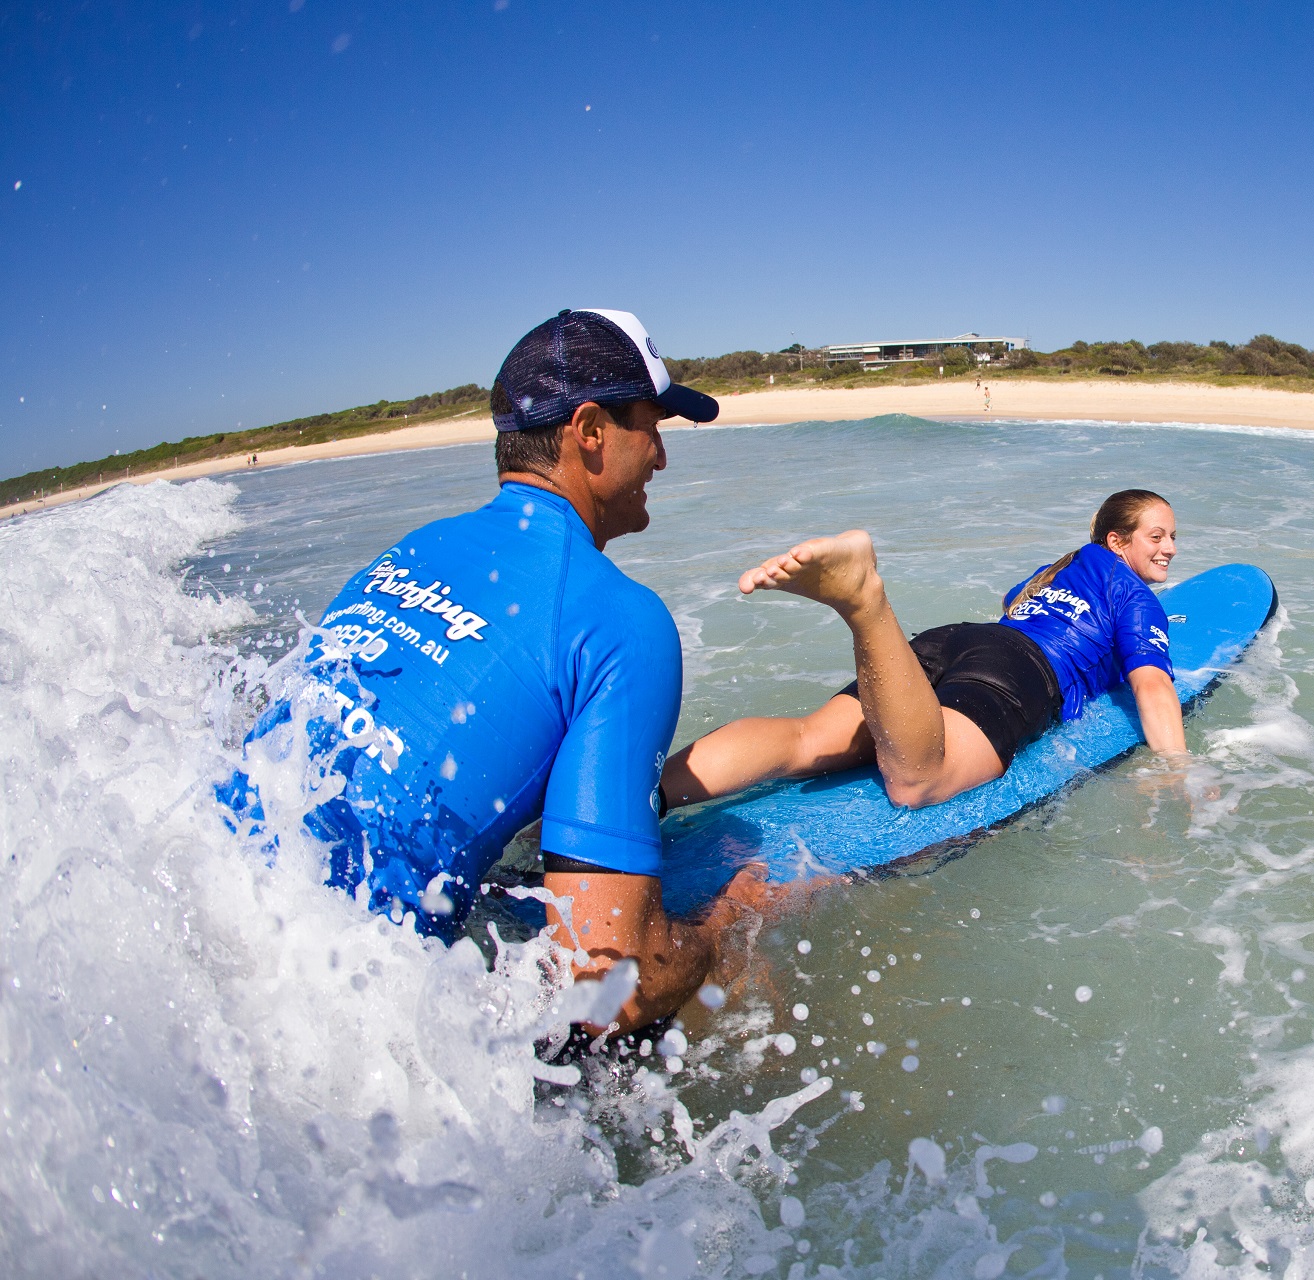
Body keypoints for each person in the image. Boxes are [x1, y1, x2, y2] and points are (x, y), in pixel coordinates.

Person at [223, 308, 760, 1035]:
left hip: (209, 897)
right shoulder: (620, 620)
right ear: (592, 432)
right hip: (322, 1018)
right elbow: (609, 985)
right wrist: (727, 922)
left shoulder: (414, 548)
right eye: (652, 425)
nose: (661, 456)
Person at [661, 490, 1187, 812]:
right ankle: (866, 604)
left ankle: (646, 796)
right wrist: (1178, 771)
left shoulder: (1057, 569)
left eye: (1172, 537)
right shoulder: (1134, 596)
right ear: (1118, 542)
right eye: (1156, 537)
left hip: (955, 640)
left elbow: (1013, 607)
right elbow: (1154, 688)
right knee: (917, 780)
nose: (1170, 548)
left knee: (807, 738)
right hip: (1019, 670)